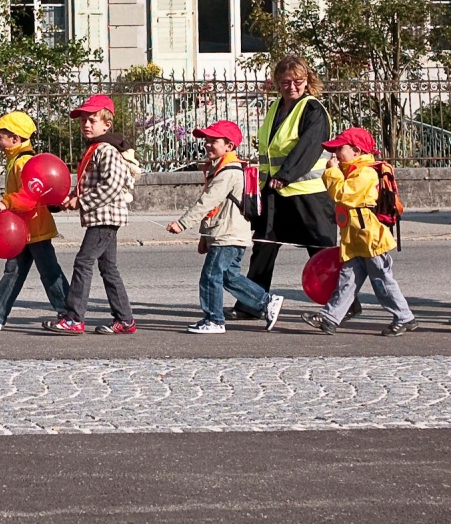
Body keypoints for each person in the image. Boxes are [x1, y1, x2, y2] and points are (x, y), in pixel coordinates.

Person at [235, 55, 336, 319]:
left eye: (298, 81)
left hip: (308, 194)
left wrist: (286, 174)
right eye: (286, 82)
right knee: (263, 246)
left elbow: (310, 147)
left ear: (307, 81)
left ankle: (343, 304)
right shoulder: (276, 108)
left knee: (322, 251)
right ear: (277, 83)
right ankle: (252, 304)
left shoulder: (313, 109)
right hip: (275, 193)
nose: (292, 86)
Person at [166, 120, 284, 334]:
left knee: (210, 276)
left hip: (228, 235)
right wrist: (205, 237)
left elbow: (208, 201)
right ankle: (266, 302)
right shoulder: (221, 168)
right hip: (226, 234)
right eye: (207, 140)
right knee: (229, 276)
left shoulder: (228, 171)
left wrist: (182, 223)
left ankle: (214, 320)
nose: (208, 145)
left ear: (229, 146)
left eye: (214, 141)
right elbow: (216, 208)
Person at [303, 127, 415, 337]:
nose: (334, 155)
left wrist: (332, 172)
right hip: (356, 238)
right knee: (348, 279)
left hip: (370, 238)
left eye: (339, 149)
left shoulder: (365, 172)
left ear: (356, 150)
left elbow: (344, 195)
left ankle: (404, 316)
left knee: (382, 279)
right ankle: (330, 318)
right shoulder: (353, 171)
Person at [0, 111, 71, 331]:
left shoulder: (23, 162)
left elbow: (30, 196)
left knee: (49, 272)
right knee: (14, 270)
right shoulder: (16, 160)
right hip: (23, 230)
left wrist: (6, 202)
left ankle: (69, 313)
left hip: (35, 230)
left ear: (15, 139)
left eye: (0, 136)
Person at [49, 94, 137, 335]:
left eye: (92, 120)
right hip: (101, 216)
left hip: (105, 217)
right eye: (83, 121)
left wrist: (81, 201)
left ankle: (74, 317)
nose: (86, 125)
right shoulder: (95, 148)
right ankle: (125, 320)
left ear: (107, 124)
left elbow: (112, 184)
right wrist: (69, 199)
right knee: (108, 268)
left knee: (83, 262)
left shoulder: (107, 149)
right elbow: (90, 183)